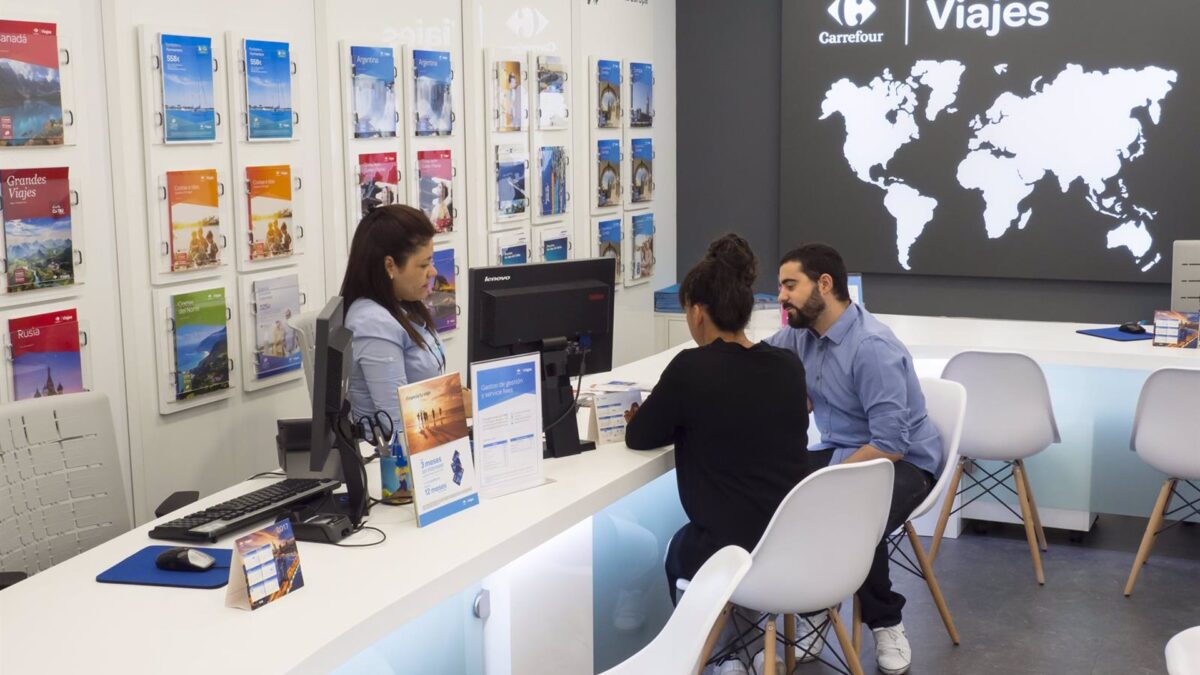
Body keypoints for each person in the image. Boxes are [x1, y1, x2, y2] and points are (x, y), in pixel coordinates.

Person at [766, 243, 943, 675]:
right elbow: (758, 364)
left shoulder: (871, 347)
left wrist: (828, 485)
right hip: (843, 450)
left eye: (789, 285)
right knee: (774, 492)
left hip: (907, 462)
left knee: (854, 513)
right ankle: (813, 609)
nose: (781, 297)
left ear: (824, 285)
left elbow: (890, 443)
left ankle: (886, 623)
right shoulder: (800, 335)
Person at [625, 233, 810, 607]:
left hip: (723, 551)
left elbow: (640, 436)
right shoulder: (788, 365)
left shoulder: (691, 368)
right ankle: (745, 632)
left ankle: (712, 640)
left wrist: (647, 416)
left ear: (697, 312)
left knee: (677, 548)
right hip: (793, 546)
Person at [341, 204, 446, 436]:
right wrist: (456, 409)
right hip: (393, 451)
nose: (433, 272)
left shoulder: (404, 302)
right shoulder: (372, 322)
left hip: (429, 437)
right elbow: (395, 425)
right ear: (390, 265)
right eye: (423, 264)